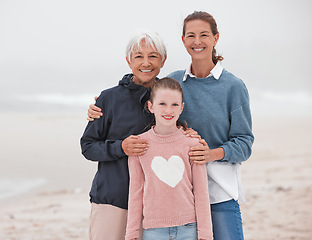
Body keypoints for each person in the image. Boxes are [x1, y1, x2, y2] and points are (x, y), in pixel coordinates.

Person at [87, 11, 254, 240]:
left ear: (216, 38)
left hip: (217, 192)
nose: (197, 41)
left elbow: (244, 143)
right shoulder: (175, 81)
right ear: (183, 40)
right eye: (191, 35)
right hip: (155, 199)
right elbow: (145, 85)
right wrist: (101, 106)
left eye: (204, 35)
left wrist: (208, 152)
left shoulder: (231, 86)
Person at [80, 31, 167, 240]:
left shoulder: (169, 98)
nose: (146, 62)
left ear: (163, 61)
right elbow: (88, 146)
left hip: (157, 203)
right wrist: (121, 147)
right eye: (138, 56)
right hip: (113, 199)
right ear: (129, 61)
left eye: (153, 56)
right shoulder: (108, 98)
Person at [125, 77, 213, 240]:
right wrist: (131, 233)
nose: (168, 110)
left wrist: (205, 234)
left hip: (188, 228)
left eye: (174, 105)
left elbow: (201, 191)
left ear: (181, 108)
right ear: (151, 106)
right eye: (162, 104)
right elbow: (135, 192)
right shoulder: (139, 145)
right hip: (153, 231)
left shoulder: (193, 143)